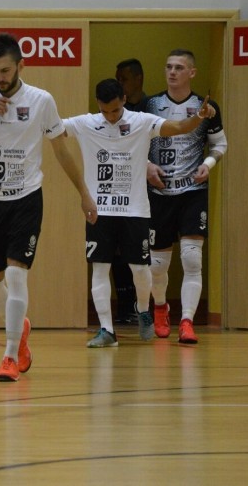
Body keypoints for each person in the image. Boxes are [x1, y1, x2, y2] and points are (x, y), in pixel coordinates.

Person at [0, 32, 97, 381]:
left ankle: (10, 355)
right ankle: (22, 329)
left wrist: (84, 193)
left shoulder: (41, 100)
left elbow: (61, 149)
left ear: (20, 65)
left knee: (17, 274)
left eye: (4, 71)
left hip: (26, 198)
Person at [62, 78, 216, 347]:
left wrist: (199, 117)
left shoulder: (143, 121)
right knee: (100, 267)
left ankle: (144, 311)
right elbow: (52, 129)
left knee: (140, 268)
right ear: (98, 104)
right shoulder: (85, 123)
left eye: (115, 110)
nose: (110, 116)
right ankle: (106, 330)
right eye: (104, 110)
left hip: (135, 209)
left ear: (123, 99)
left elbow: (180, 127)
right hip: (100, 209)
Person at [146, 49, 227, 344]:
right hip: (159, 192)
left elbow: (220, 144)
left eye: (179, 67)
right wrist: (146, 165)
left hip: (193, 192)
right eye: (168, 66)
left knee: (192, 259)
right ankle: (160, 308)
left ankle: (187, 321)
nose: (172, 72)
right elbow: (132, 142)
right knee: (156, 265)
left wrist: (208, 165)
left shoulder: (206, 108)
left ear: (192, 72)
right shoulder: (150, 104)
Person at [112, 58, 148, 325]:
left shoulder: (152, 108)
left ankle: (144, 307)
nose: (119, 84)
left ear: (138, 79)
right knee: (116, 251)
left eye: (123, 78)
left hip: (147, 190)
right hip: (118, 186)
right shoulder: (113, 110)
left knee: (143, 252)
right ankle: (124, 306)